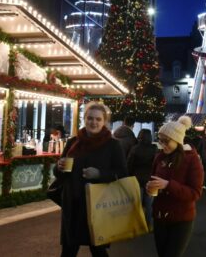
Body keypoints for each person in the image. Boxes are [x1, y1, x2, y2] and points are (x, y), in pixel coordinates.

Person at [54, 102, 127, 257]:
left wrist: (100, 174)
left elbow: (122, 173)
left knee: (98, 249)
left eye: (98, 119)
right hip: (72, 205)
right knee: (68, 250)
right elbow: (59, 173)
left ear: (104, 121)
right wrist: (59, 167)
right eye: (90, 118)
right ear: (84, 119)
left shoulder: (113, 145)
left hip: (97, 205)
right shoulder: (73, 142)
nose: (94, 122)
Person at [146, 116, 204, 257]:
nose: (162, 145)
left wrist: (168, 185)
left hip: (181, 219)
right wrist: (150, 187)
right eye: (160, 140)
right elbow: (153, 178)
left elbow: (195, 193)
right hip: (160, 217)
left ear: (177, 140)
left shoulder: (191, 159)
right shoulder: (159, 157)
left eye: (166, 141)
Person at [127, 128, 158, 230]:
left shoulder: (135, 149)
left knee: (137, 204)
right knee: (149, 204)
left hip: (137, 179)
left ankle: (137, 225)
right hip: (150, 179)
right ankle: (149, 225)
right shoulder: (154, 149)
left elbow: (129, 164)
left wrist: (129, 175)